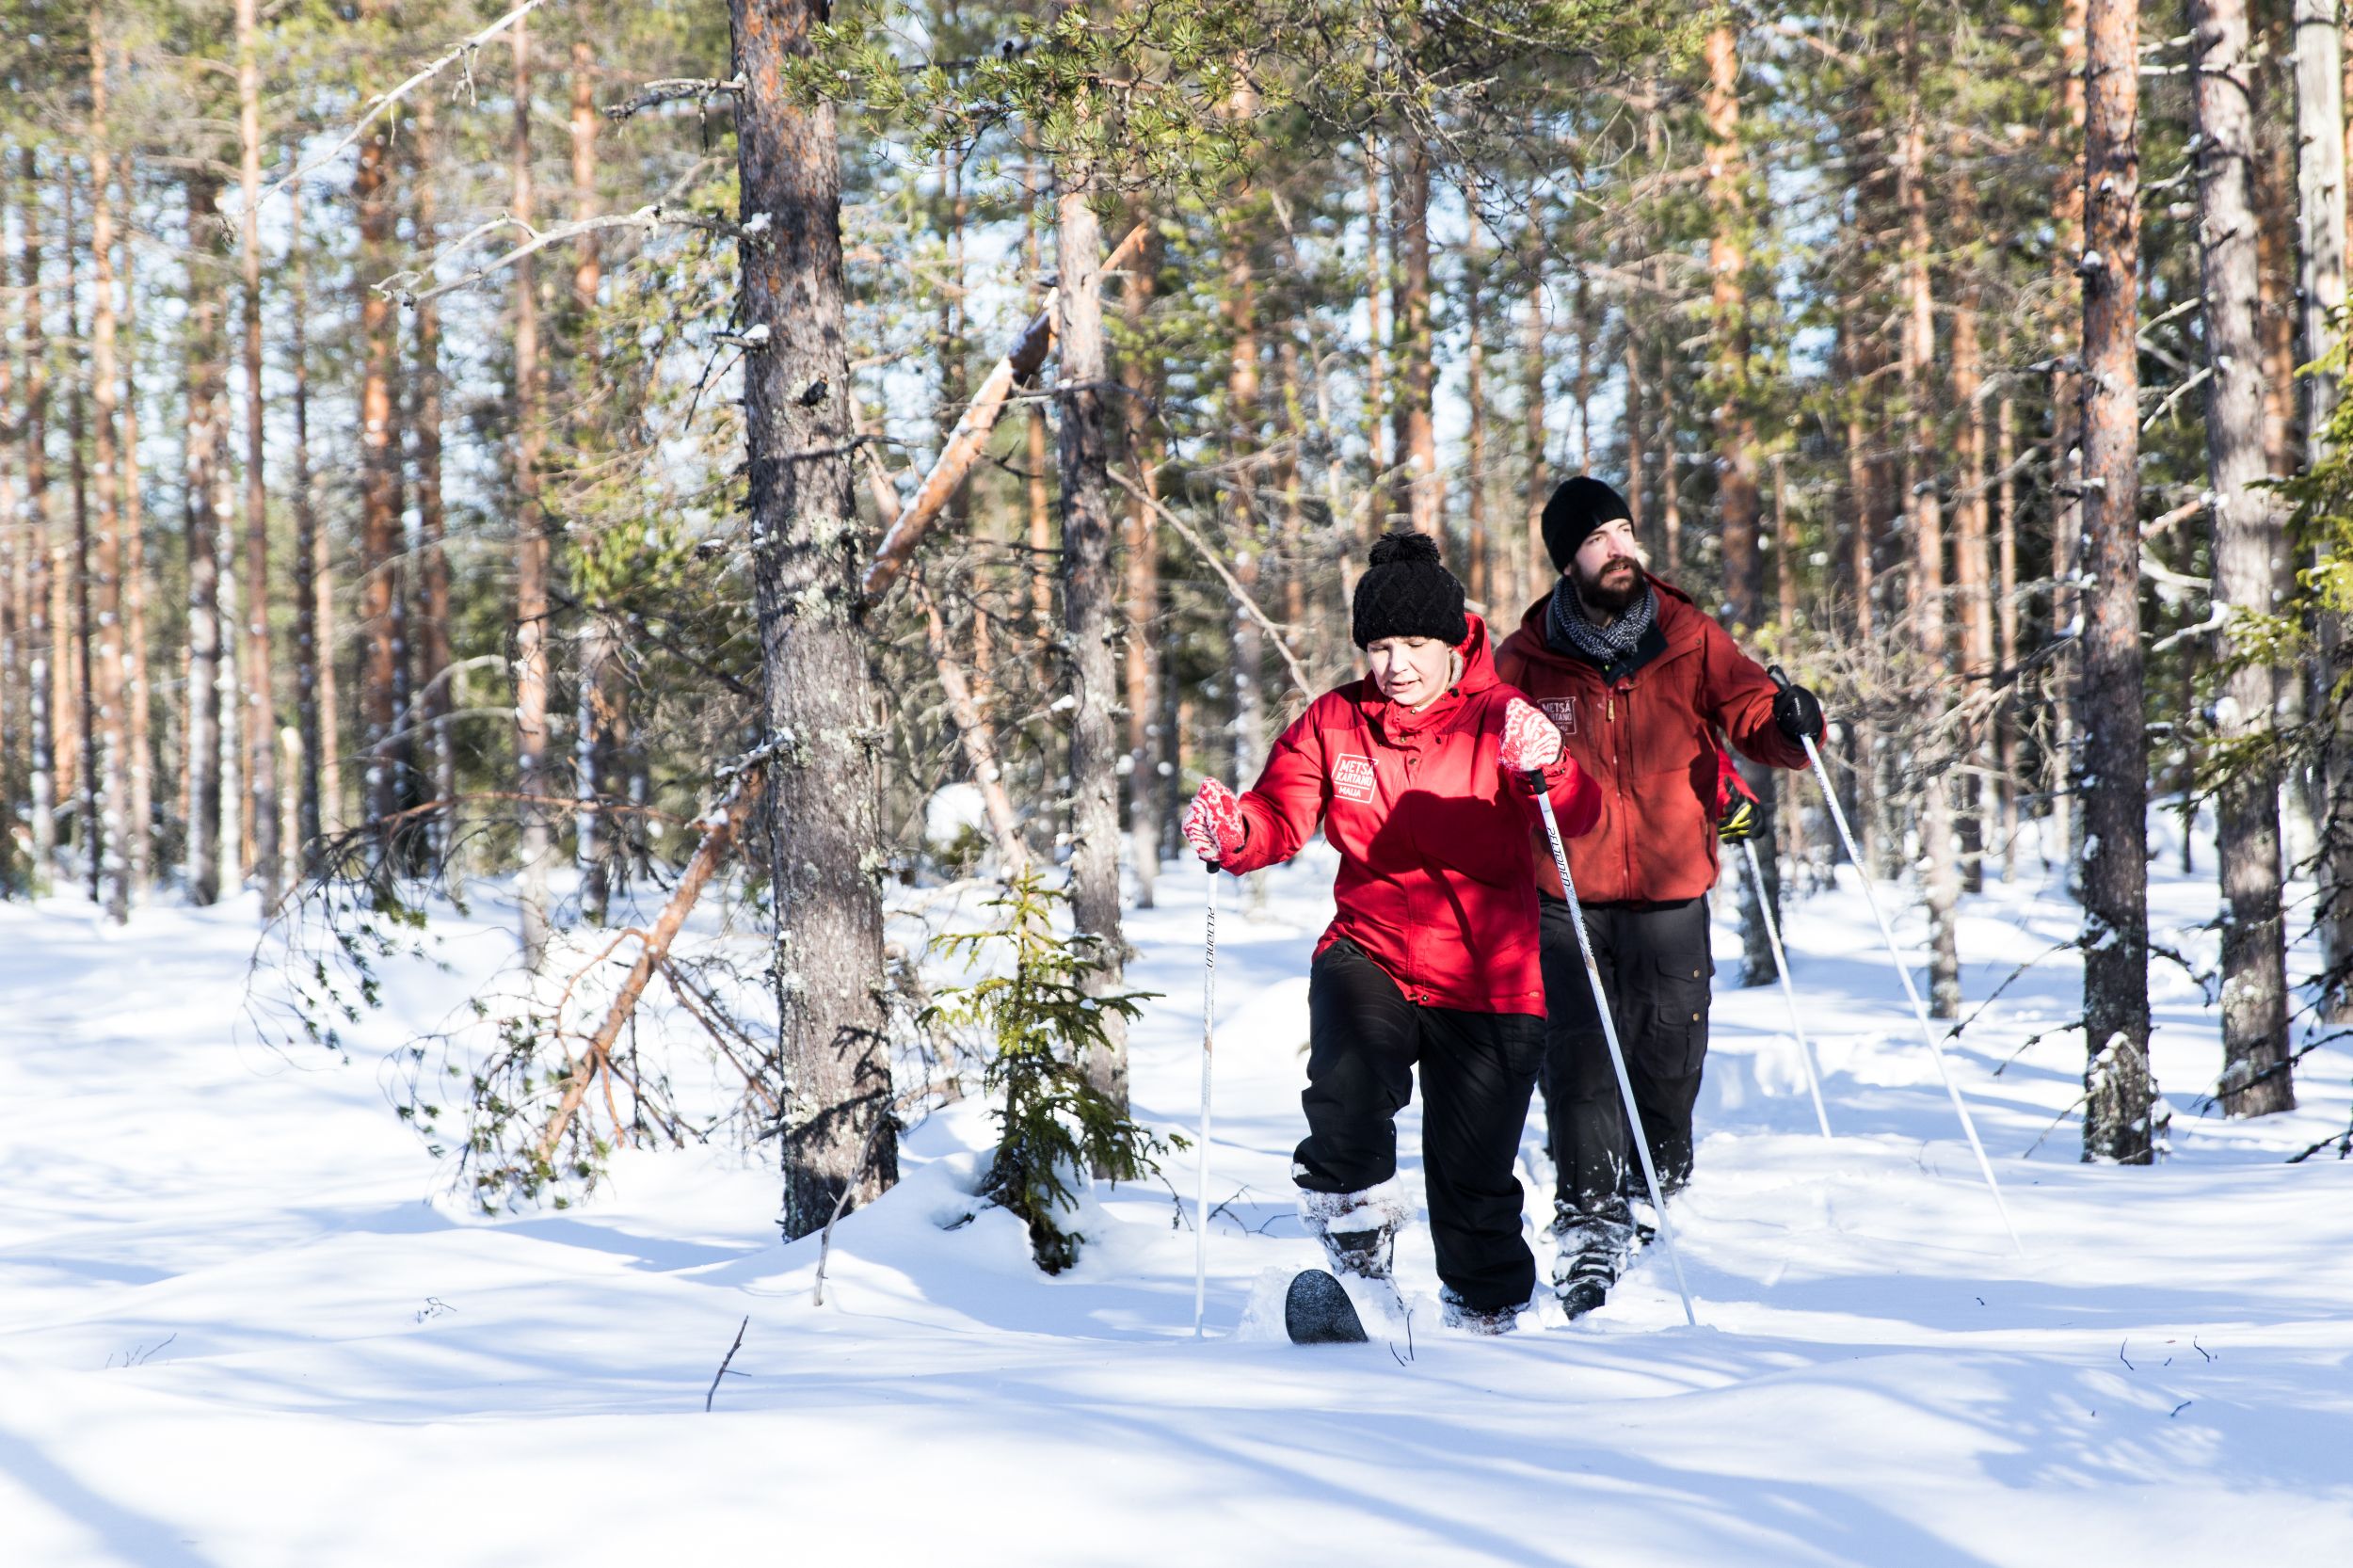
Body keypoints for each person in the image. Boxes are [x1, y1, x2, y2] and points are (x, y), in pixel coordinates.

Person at [1182, 530, 1601, 1335]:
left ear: (1453, 641)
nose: (1395, 665)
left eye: (1413, 643)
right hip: (1370, 946)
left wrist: (1548, 765)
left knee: (1474, 1179)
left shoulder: (1501, 717)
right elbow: (1276, 814)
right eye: (1377, 646)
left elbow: (1576, 816)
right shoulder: (1336, 721)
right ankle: (1360, 1279)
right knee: (1343, 1101)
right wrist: (1233, 829)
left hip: (1490, 973)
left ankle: (1492, 1322)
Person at [1494, 476, 1828, 1316]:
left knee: (1669, 1060)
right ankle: (1591, 1220)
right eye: (1598, 538)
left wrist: (1790, 722)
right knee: (1581, 1061)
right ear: (1567, 559)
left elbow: (1750, 709)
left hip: (1674, 888)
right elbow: (1486, 753)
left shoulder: (1687, 634)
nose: (1618, 548)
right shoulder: (1525, 660)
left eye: (1624, 531)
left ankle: (1658, 1177)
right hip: (1565, 891)